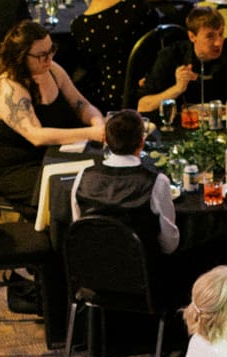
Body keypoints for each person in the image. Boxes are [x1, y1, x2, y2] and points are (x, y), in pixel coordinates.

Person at [0, 22, 104, 209]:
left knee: (100, 177)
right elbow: (36, 136)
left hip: (50, 155)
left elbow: (81, 105)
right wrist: (91, 133)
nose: (49, 58)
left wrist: (98, 124)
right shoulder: (7, 88)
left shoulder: (52, 69)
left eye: (51, 50)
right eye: (41, 55)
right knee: (78, 193)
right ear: (21, 56)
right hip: (15, 168)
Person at [69, 107, 180, 257]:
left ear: (106, 141)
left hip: (92, 265)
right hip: (143, 267)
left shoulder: (83, 176)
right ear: (141, 142)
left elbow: (79, 229)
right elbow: (169, 244)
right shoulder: (156, 182)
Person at [61, 0, 160, 112]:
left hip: (110, 97)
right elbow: (156, 34)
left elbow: (86, 65)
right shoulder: (136, 3)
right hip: (149, 83)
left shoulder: (81, 26)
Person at [138, 4, 227, 120]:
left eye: (220, 34)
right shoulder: (172, 56)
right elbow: (143, 106)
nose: (218, 43)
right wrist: (177, 88)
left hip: (225, 124)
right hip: (184, 124)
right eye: (210, 36)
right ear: (192, 36)